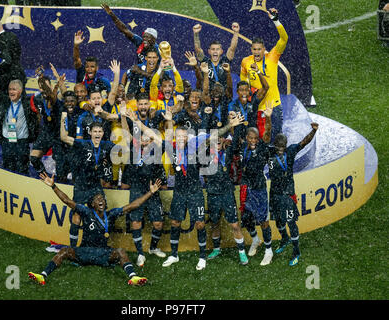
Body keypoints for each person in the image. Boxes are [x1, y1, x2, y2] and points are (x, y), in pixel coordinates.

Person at [28, 172, 163, 286]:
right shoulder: (86, 212)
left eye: (103, 199)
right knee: (64, 251)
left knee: (121, 251)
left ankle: (133, 277)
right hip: (84, 252)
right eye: (98, 199)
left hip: (103, 253)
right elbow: (67, 201)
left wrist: (150, 193)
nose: (101, 200)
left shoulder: (111, 214)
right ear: (92, 204)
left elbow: (133, 205)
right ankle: (43, 276)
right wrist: (53, 186)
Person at [161, 110, 245, 270]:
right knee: (175, 222)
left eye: (184, 136)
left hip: (195, 192)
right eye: (178, 136)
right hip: (179, 193)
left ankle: (202, 257)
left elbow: (213, 138)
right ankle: (173, 255)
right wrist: (170, 121)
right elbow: (166, 135)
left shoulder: (195, 150)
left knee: (200, 224)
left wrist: (230, 126)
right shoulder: (172, 152)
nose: (181, 138)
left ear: (187, 138)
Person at [120, 102, 168, 267]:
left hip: (153, 190)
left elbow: (159, 139)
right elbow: (126, 132)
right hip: (137, 190)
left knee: (158, 223)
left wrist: (139, 123)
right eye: (143, 138)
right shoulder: (133, 150)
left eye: (148, 138)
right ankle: (140, 253)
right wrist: (123, 116)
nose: (146, 141)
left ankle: (153, 248)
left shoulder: (156, 149)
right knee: (136, 223)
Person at [268, 123, 318, 266]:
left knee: (291, 222)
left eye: (282, 146)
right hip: (274, 193)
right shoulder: (269, 152)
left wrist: (314, 131)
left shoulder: (291, 151)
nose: (280, 149)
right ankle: (284, 239)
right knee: (277, 220)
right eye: (278, 146)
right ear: (274, 144)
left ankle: (296, 251)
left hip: (287, 194)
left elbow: (304, 142)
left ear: (286, 145)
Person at [203, 120, 248, 265]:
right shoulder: (204, 153)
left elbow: (237, 139)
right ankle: (216, 249)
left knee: (234, 224)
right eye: (214, 139)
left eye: (220, 138)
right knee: (214, 223)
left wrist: (236, 124)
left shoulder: (228, 151)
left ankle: (242, 252)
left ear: (223, 140)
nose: (217, 140)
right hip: (212, 193)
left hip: (227, 193)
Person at [240, 8, 288, 142]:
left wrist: (276, 21)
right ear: (251, 49)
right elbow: (243, 78)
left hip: (274, 105)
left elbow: (284, 39)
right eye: (254, 49)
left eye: (259, 49)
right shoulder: (246, 61)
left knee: (277, 136)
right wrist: (247, 91)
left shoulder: (272, 57)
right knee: (257, 139)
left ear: (264, 49)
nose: (256, 52)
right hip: (256, 107)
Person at [235, 102, 274, 266]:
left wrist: (269, 118)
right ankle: (256, 239)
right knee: (246, 218)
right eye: (250, 138)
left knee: (263, 221)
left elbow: (268, 133)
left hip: (258, 188)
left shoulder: (263, 148)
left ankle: (268, 250)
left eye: (255, 138)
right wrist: (234, 124)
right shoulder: (244, 147)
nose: (252, 140)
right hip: (246, 187)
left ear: (258, 139)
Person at [0, 78, 39, 175]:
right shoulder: (4, 100)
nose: (11, 92)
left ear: (20, 91)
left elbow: (44, 99)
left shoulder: (27, 103)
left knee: (22, 169)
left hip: (22, 143)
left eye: (14, 89)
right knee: (8, 168)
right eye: (10, 89)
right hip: (7, 141)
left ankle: (21, 187)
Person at [29, 72, 69, 183]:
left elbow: (63, 95)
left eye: (46, 86)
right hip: (46, 132)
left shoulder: (58, 99)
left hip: (59, 134)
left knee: (61, 165)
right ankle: (45, 178)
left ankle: (63, 184)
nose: (44, 89)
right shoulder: (37, 99)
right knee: (34, 158)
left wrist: (60, 83)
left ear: (51, 86)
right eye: (41, 87)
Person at [193, 22, 240, 90]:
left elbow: (232, 48)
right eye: (213, 49)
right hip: (208, 96)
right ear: (209, 51)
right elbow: (198, 49)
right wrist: (196, 34)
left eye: (217, 49)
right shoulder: (205, 62)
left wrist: (236, 32)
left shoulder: (225, 61)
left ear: (221, 51)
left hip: (223, 96)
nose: (215, 51)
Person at [0, 18, 27, 94]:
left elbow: (7, 61)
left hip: (6, 81)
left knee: (4, 104)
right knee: (21, 103)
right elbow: (17, 54)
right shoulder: (12, 36)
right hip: (19, 75)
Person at [228, 63, 269, 140]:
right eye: (241, 90)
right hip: (239, 139)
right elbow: (231, 126)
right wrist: (238, 140)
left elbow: (266, 87)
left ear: (249, 91)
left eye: (246, 90)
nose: (244, 93)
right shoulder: (232, 105)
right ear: (237, 92)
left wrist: (258, 72)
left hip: (253, 139)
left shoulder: (253, 102)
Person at [73, 30, 111, 94]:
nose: (89, 69)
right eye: (87, 67)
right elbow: (76, 59)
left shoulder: (102, 81)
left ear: (97, 68)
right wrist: (76, 45)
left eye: (92, 67)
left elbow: (110, 99)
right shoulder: (81, 73)